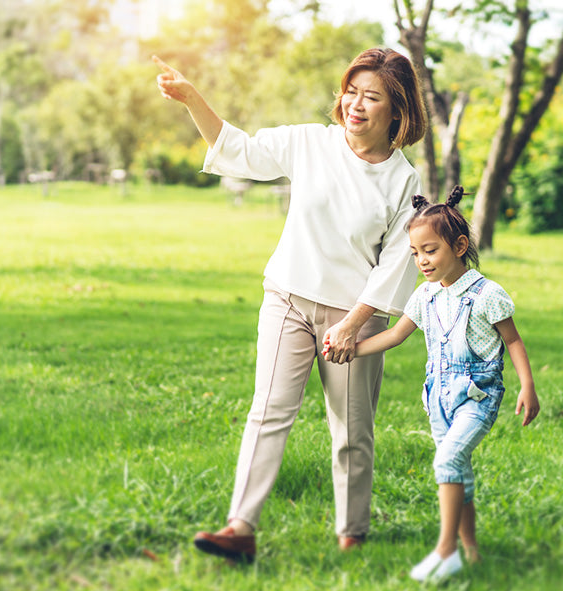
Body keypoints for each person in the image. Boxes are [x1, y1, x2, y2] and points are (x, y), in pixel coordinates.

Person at [154, 47, 427, 563]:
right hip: (287, 298)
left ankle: (352, 533)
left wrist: (352, 326)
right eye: (352, 91)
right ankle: (240, 527)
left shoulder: (403, 180)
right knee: (268, 412)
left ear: (398, 111)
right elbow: (239, 148)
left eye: (372, 97)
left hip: (354, 320)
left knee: (352, 431)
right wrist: (192, 98)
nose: (356, 104)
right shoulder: (310, 143)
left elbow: (396, 264)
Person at [324, 186, 540, 581]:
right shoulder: (424, 297)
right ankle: (471, 551)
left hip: (478, 397)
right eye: (415, 253)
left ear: (459, 246)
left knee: (447, 461)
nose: (422, 261)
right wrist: (352, 348)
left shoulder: (486, 294)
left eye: (430, 250)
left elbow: (513, 340)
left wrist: (528, 387)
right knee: (459, 470)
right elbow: (394, 336)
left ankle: (446, 551)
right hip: (438, 399)